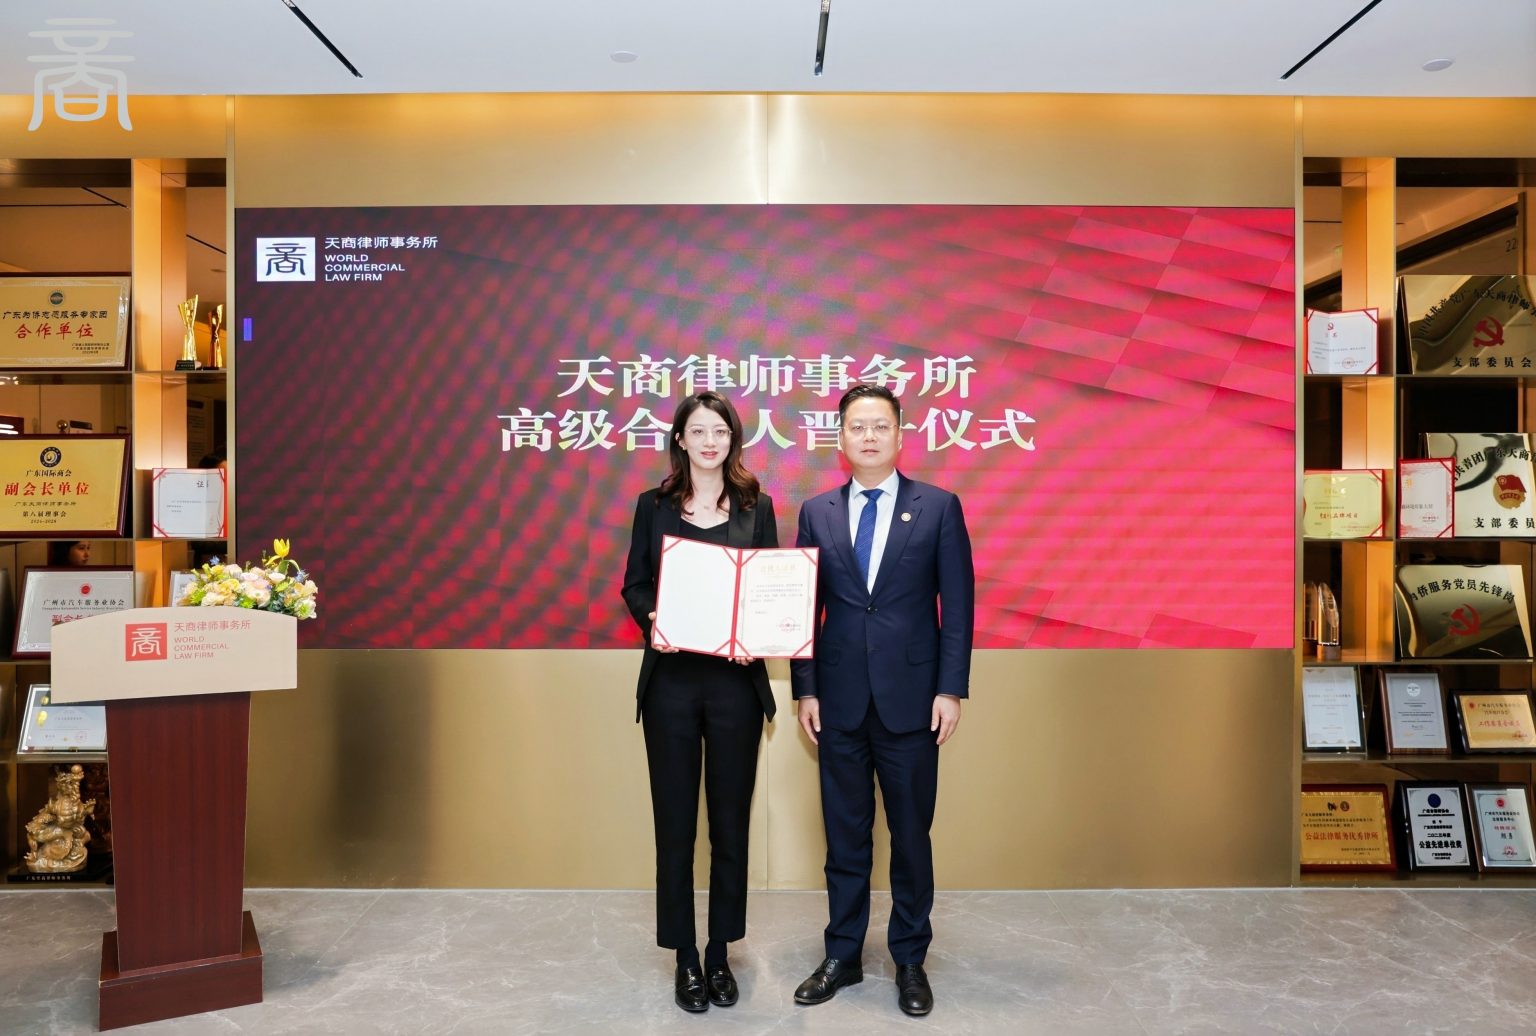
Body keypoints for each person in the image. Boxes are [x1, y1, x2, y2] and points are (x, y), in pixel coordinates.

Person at [790, 383, 975, 1017]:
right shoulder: (816, 512)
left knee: (911, 836)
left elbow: (958, 608)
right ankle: (841, 954)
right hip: (838, 701)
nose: (868, 436)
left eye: (880, 426)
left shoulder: (938, 507)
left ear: (900, 434)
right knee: (845, 838)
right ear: (840, 438)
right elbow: (804, 610)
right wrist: (806, 688)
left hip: (914, 702)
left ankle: (910, 959)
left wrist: (950, 688)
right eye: (857, 427)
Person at [620, 391, 779, 1014]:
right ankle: (685, 955)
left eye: (721, 431)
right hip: (672, 684)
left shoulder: (756, 506)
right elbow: (635, 583)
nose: (710, 441)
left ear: (733, 440)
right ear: (680, 440)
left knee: (730, 825)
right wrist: (655, 617)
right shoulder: (653, 506)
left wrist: (755, 636)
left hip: (736, 684)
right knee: (675, 825)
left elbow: (770, 588)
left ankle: (719, 952)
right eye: (699, 431)